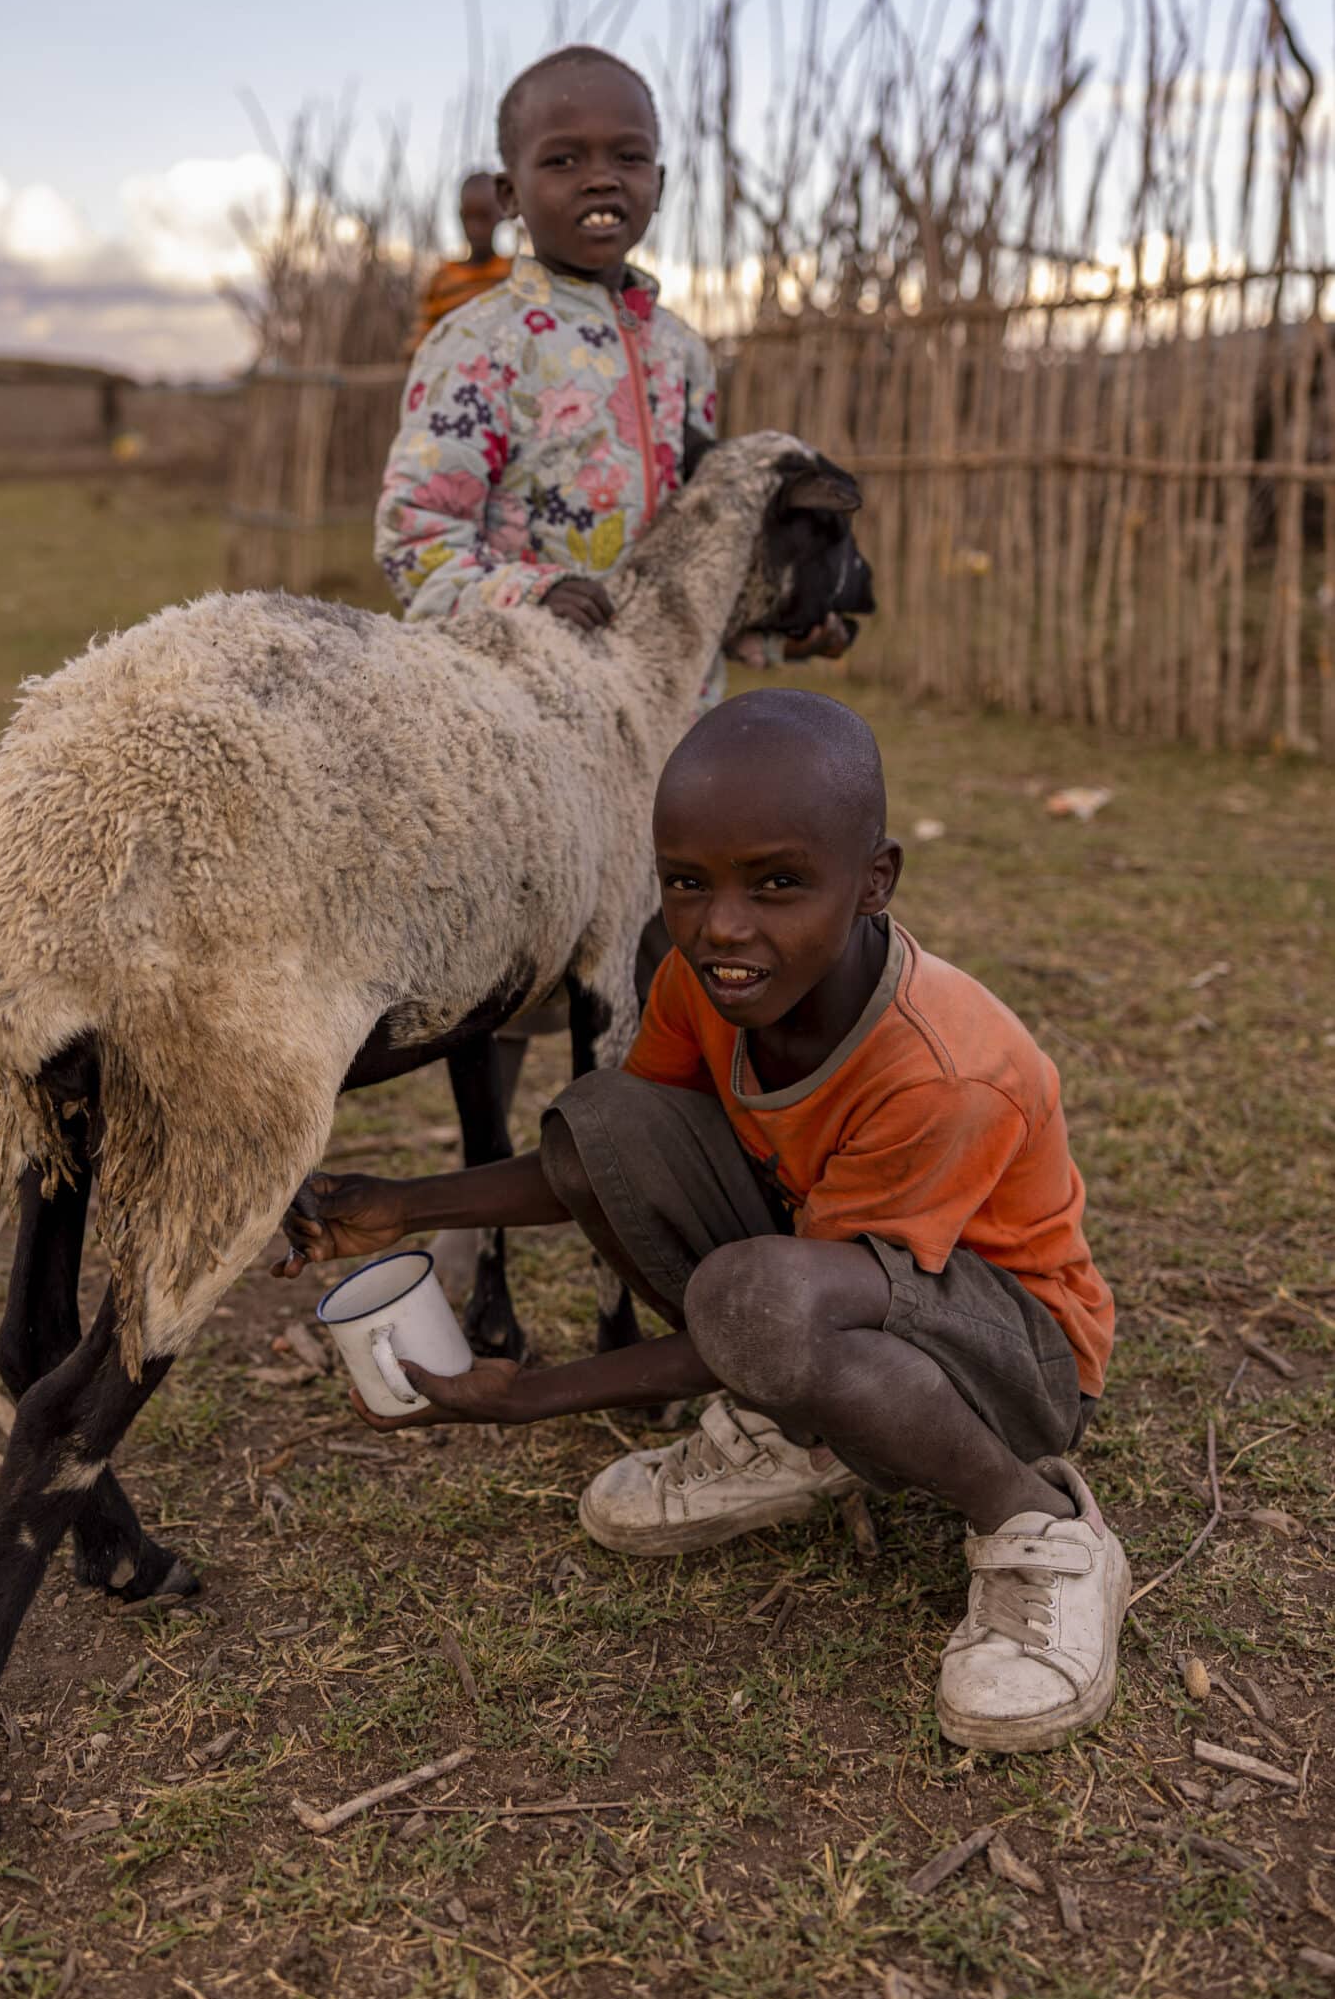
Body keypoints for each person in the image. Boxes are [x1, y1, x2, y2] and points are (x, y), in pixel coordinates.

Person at [274, 690, 1128, 1755]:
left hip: (1017, 1358)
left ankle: (1035, 1523)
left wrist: (529, 1398)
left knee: (760, 1304)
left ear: (875, 880)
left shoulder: (943, 1071)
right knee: (602, 1124)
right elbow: (620, 1164)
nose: (723, 924)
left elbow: (776, 1308)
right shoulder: (704, 979)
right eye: (688, 882)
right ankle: (804, 1431)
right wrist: (402, 1204)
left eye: (776, 883)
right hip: (835, 1292)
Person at [377, 45, 720, 640]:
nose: (601, 178)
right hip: (518, 704)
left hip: (669, 709)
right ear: (509, 196)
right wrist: (528, 596)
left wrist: (773, 625)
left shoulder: (683, 352)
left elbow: (702, 536)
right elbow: (418, 537)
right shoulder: (476, 345)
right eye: (563, 160)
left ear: (658, 184)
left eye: (629, 156)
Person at [405, 170, 512, 354]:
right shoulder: (442, 280)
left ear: (501, 215)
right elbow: (420, 345)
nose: (475, 228)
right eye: (468, 217)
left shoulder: (515, 274)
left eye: (484, 216)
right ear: (460, 217)